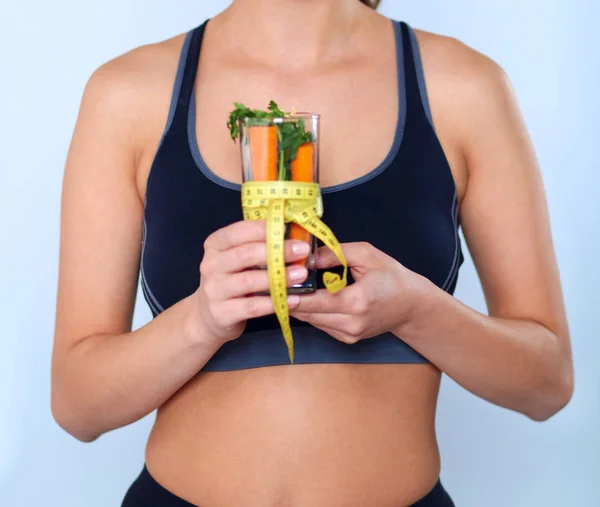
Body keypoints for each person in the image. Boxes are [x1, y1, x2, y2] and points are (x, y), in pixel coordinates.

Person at [51, 0, 574, 505]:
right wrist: (199, 323)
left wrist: (418, 309)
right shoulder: (128, 94)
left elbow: (546, 384)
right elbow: (78, 406)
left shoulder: (465, 88)